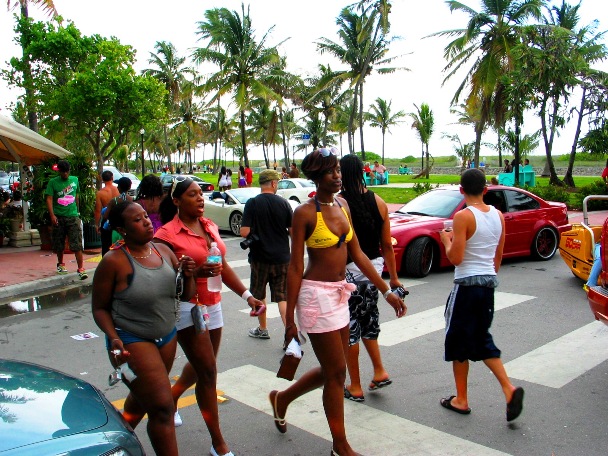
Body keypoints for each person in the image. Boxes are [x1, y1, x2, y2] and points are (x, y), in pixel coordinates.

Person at [269, 147, 406, 456]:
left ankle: (283, 398)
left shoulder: (343, 205)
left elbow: (357, 253)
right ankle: (340, 445)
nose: (337, 176)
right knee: (336, 375)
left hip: (341, 292)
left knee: (335, 368)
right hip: (316, 297)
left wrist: (387, 291)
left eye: (339, 170)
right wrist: (289, 320)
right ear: (317, 177)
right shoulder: (305, 213)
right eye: (331, 171)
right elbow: (294, 267)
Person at [153, 176, 265, 456]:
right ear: (176, 201)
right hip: (187, 309)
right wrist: (191, 274)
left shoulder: (209, 226)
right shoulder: (165, 236)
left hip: (212, 305)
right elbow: (161, 279)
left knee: (206, 365)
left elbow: (221, 266)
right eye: (192, 195)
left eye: (201, 194)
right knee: (209, 372)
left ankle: (175, 395)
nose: (200, 198)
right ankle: (218, 443)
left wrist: (247, 295)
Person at [92, 200, 197, 456]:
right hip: (130, 340)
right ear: (123, 229)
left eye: (145, 216)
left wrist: (189, 274)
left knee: (142, 399)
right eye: (137, 220)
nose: (146, 221)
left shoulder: (164, 251)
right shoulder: (114, 261)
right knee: (162, 408)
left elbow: (185, 296)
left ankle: (110, 446)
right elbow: (99, 308)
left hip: (166, 337)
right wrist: (114, 337)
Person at [439, 168, 524, 422]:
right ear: (486, 190)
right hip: (487, 285)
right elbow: (498, 257)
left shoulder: (463, 216)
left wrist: (446, 240)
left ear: (461, 190)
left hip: (466, 286)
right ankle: (505, 390)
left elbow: (456, 258)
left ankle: (463, 399)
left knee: (457, 343)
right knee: (480, 338)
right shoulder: (498, 215)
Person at [339, 154, 404, 402]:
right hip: (375, 272)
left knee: (351, 330)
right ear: (363, 172)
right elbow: (387, 244)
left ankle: (355, 386)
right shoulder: (379, 201)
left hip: (350, 274)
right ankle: (379, 370)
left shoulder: (340, 204)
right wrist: (394, 279)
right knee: (369, 322)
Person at [241, 169, 293, 339]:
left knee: (259, 294)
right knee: (282, 297)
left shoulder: (252, 203)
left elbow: (244, 231)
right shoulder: (284, 203)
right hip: (282, 258)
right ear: (273, 183)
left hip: (259, 258)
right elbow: (293, 231)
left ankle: (263, 329)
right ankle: (290, 335)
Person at [45, 160, 87, 280]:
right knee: (59, 242)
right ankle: (61, 264)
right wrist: (52, 215)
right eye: (63, 172)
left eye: (67, 172)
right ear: (59, 172)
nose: (65, 174)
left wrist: (78, 212)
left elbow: (77, 195)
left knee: (77, 243)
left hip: (73, 215)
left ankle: (81, 268)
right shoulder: (53, 182)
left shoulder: (75, 180)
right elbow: (49, 199)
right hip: (59, 215)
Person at [95, 170, 120, 255]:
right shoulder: (118, 190)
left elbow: (98, 210)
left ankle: (107, 264)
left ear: (102, 179)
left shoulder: (100, 193)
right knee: (118, 244)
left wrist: (96, 224)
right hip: (118, 220)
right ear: (112, 178)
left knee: (106, 245)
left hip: (106, 220)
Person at [105, 177, 134, 244]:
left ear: (119, 187)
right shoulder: (132, 200)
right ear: (129, 187)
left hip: (116, 231)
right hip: (129, 230)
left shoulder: (114, 201)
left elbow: (106, 216)